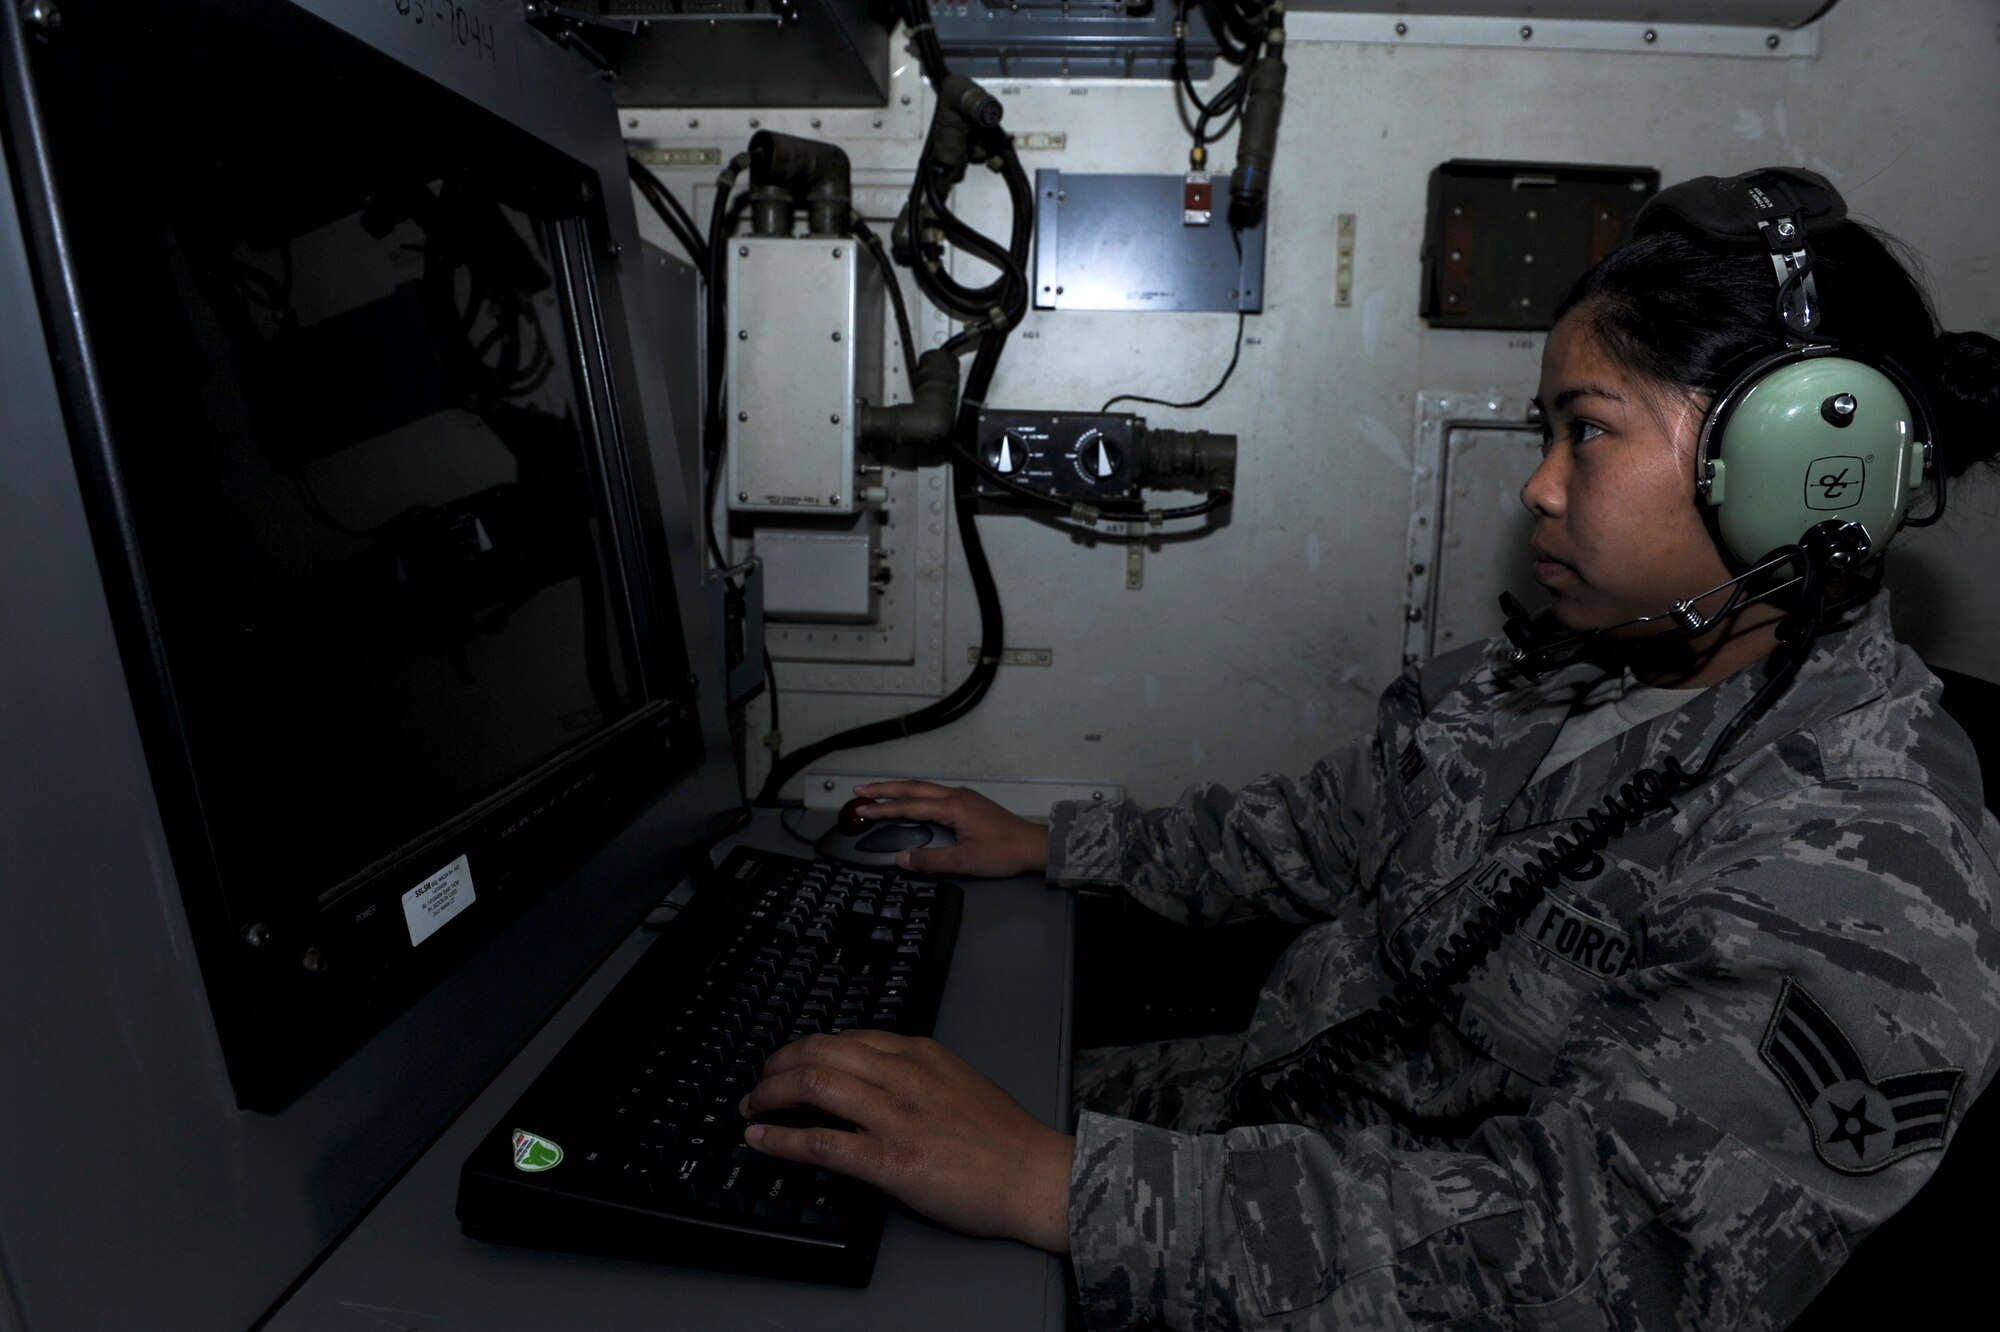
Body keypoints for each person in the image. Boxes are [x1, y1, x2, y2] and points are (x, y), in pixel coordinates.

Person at [738, 168, 2000, 1328]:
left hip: (1357, 1266)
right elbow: (1320, 827)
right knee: (796, 1116)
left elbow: (1591, 1262)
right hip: (1255, 1123)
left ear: (1793, 466)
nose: (1536, 486)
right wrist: (1054, 841)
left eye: (1585, 430)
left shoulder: (1863, 858)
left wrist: (1052, 1188)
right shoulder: (1576, 665)